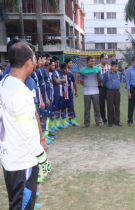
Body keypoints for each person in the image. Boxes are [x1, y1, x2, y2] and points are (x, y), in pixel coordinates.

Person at [0, 42, 51, 210]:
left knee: (16, 202)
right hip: (22, 162)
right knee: (22, 206)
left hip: (9, 158)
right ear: (28, 62)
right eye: (35, 59)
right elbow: (27, 130)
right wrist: (42, 158)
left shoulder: (4, 83)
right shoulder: (20, 92)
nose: (36, 62)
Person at [79, 56, 102, 127]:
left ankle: (98, 122)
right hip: (87, 93)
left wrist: (94, 85)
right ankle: (86, 123)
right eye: (91, 61)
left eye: (94, 61)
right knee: (87, 108)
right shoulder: (82, 70)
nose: (93, 62)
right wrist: (87, 86)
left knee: (97, 108)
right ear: (87, 61)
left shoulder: (97, 69)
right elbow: (81, 81)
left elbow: (99, 80)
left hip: (95, 92)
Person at [102, 60, 122, 127]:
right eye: (114, 66)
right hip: (109, 91)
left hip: (117, 91)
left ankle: (117, 121)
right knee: (110, 107)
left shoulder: (119, 73)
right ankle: (110, 121)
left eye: (116, 66)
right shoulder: (106, 74)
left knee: (117, 107)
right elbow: (104, 82)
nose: (116, 68)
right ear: (111, 67)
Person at [60, 62, 79, 127]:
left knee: (71, 108)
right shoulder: (59, 75)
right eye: (65, 69)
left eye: (67, 68)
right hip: (62, 96)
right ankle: (64, 122)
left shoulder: (70, 74)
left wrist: (76, 91)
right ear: (62, 69)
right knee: (63, 109)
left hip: (69, 95)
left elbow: (74, 83)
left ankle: (73, 121)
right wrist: (62, 91)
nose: (66, 70)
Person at [97, 53, 110, 125]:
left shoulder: (109, 67)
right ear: (101, 59)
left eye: (107, 59)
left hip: (108, 88)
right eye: (105, 59)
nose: (106, 60)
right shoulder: (97, 68)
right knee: (101, 104)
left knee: (110, 104)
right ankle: (104, 119)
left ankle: (111, 118)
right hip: (100, 88)